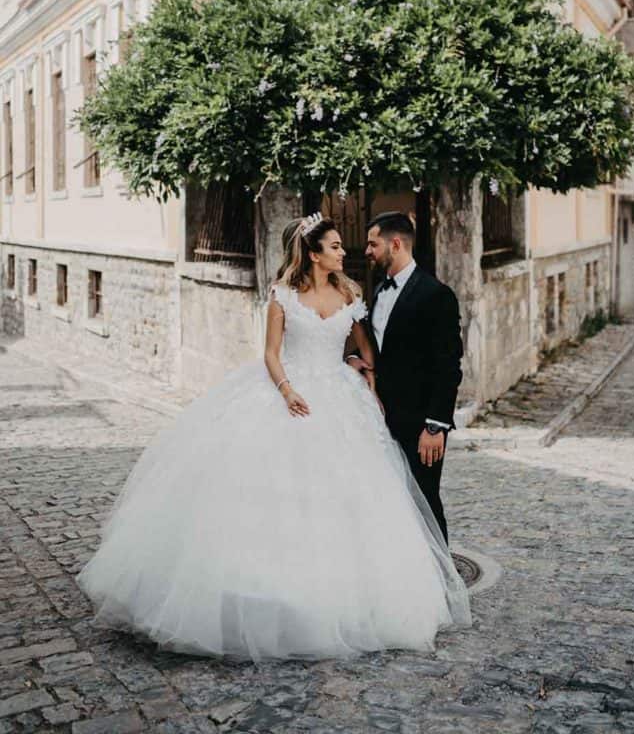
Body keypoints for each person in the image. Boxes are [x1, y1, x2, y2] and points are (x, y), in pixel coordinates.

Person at [77, 213, 471, 661]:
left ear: (394, 244)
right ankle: (279, 594)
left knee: (372, 495)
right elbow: (272, 352)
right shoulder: (286, 295)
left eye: (357, 245)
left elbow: (371, 349)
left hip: (349, 403)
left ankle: (405, 586)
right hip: (293, 393)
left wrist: (374, 386)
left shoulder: (357, 292)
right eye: (338, 246)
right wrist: (287, 390)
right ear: (314, 252)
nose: (349, 252)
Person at [348, 212, 463, 543]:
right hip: (384, 419)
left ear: (394, 244)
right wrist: (357, 361)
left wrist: (435, 426)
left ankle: (443, 581)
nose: (367, 251)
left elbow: (449, 366)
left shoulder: (436, 295)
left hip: (420, 425)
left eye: (373, 243)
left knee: (425, 502)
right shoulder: (381, 289)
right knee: (393, 503)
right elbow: (381, 351)